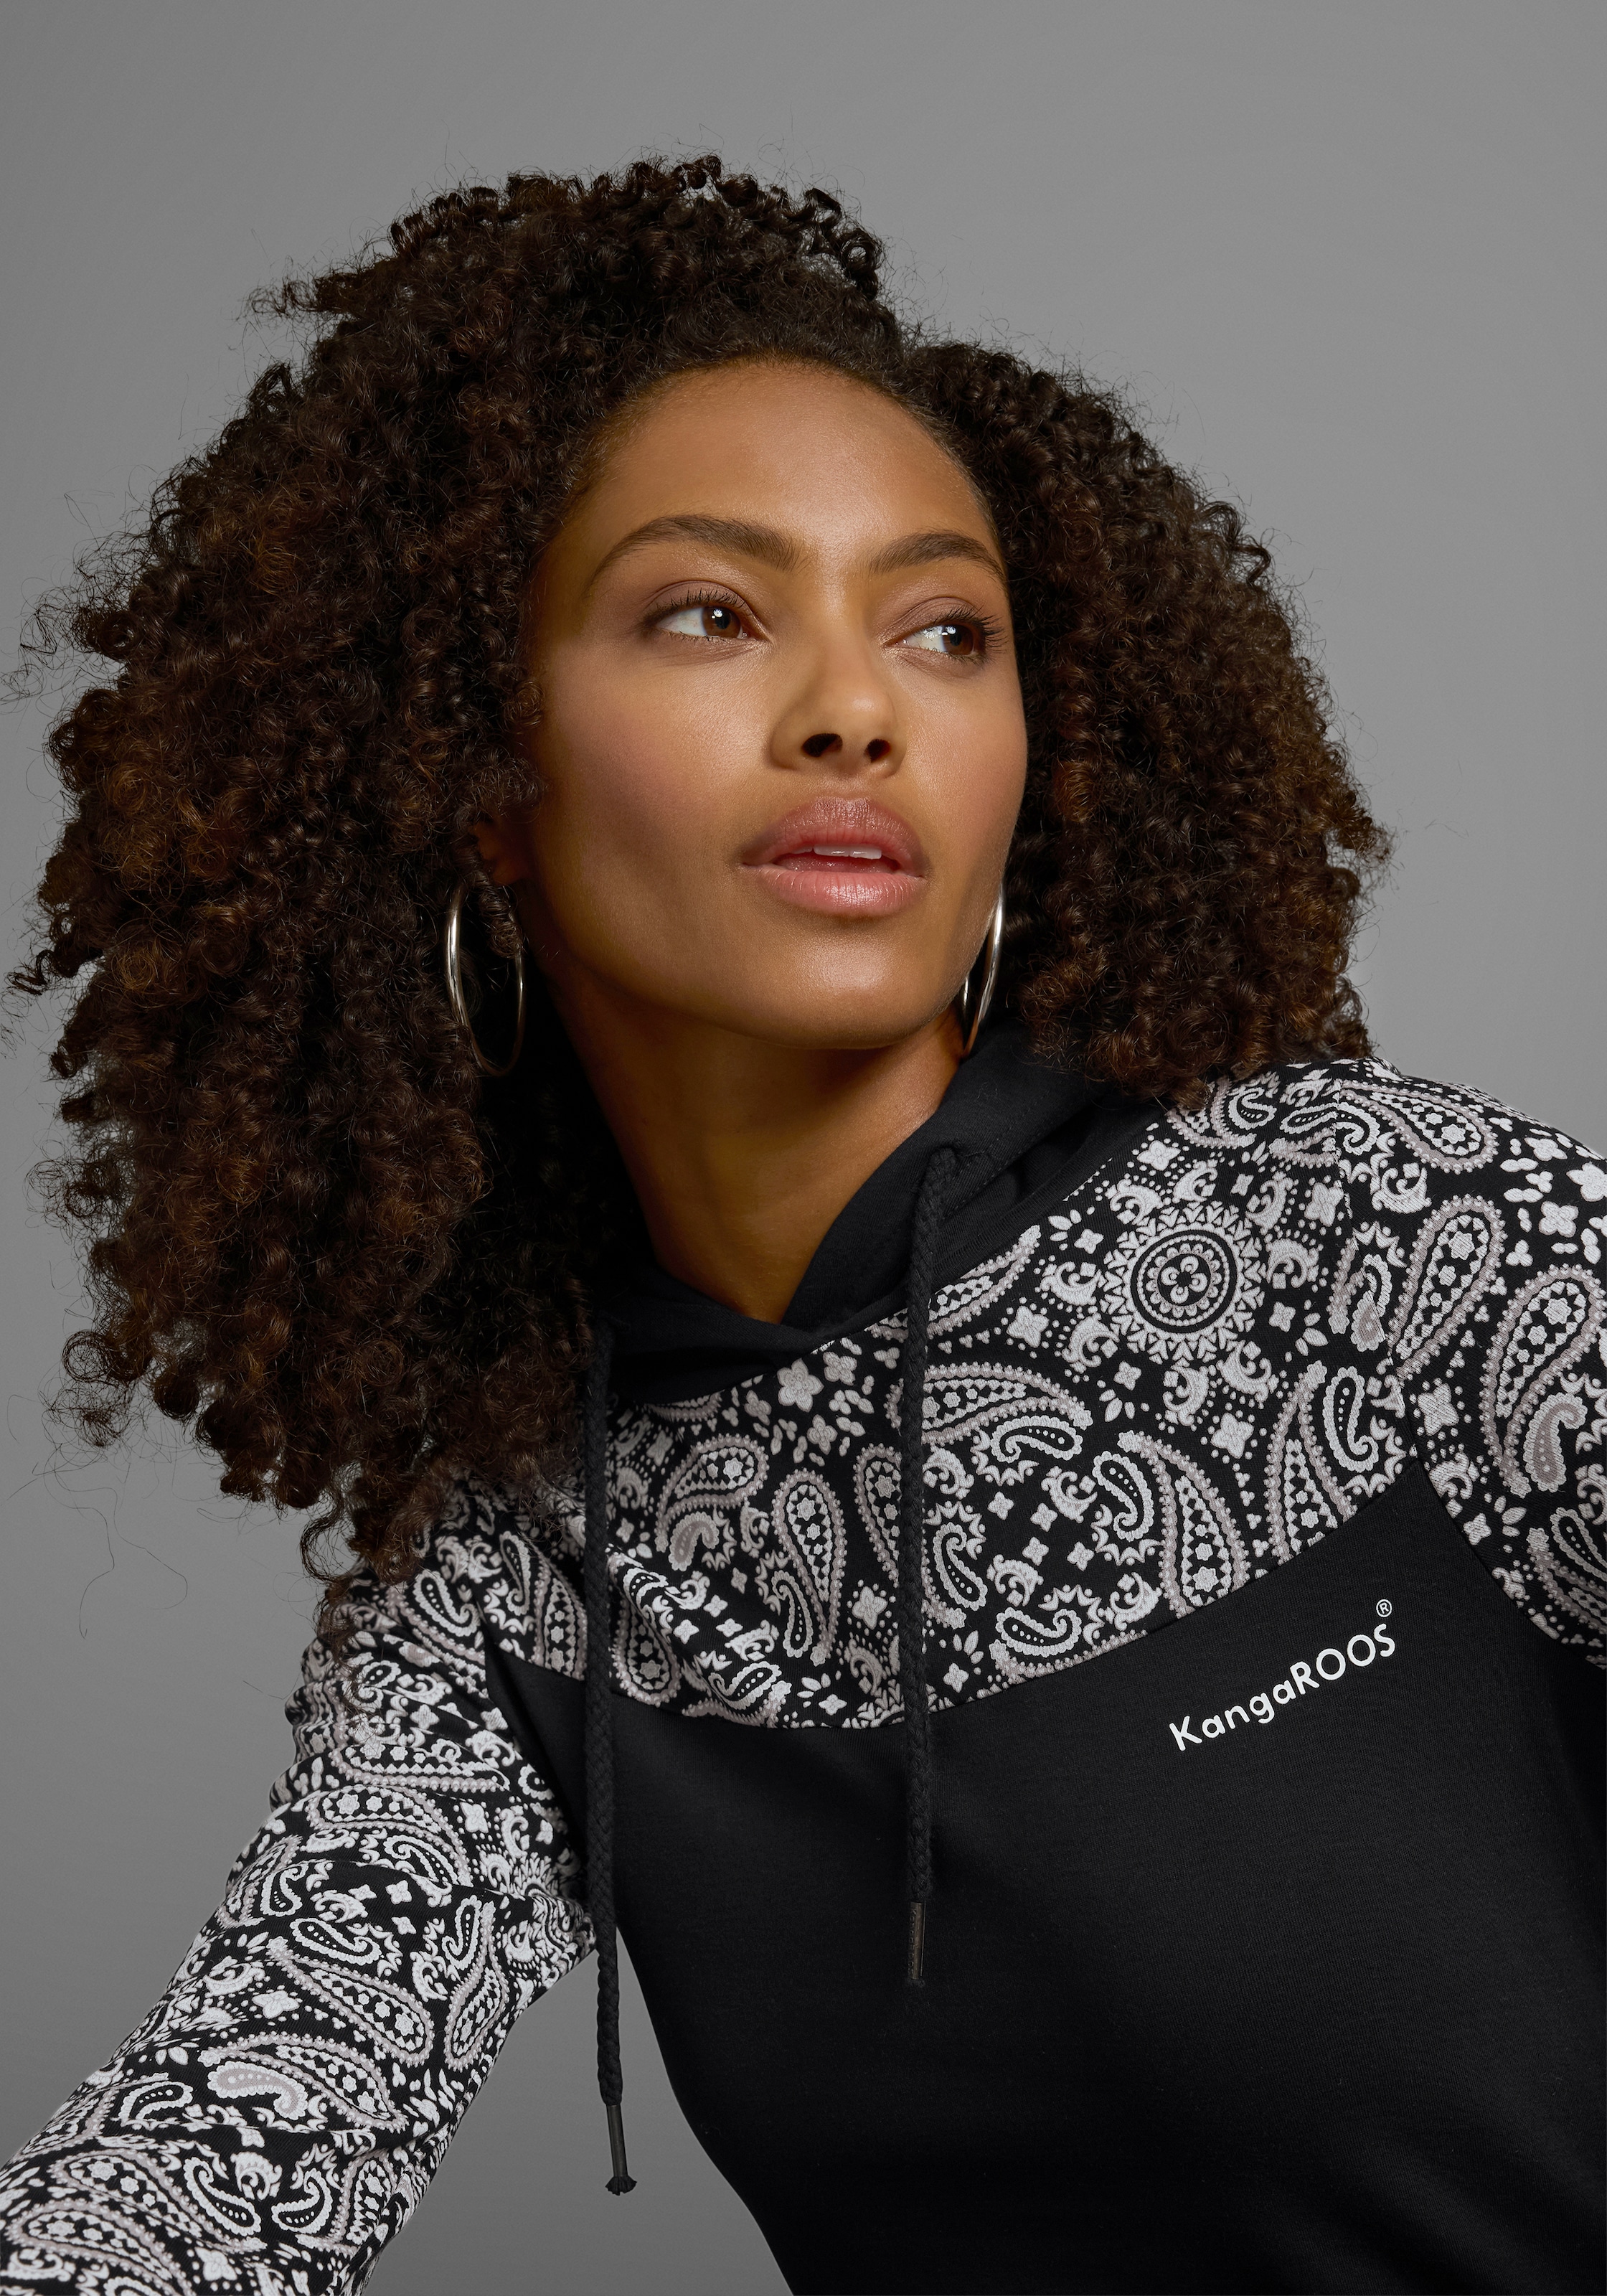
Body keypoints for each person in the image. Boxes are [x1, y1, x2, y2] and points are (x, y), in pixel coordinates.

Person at [0, 156, 1600, 2296]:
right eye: (709, 613)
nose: (861, 708)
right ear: (475, 781)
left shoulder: (1397, 1250)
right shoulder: (536, 1570)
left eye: (948, 631)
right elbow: (208, 2158)